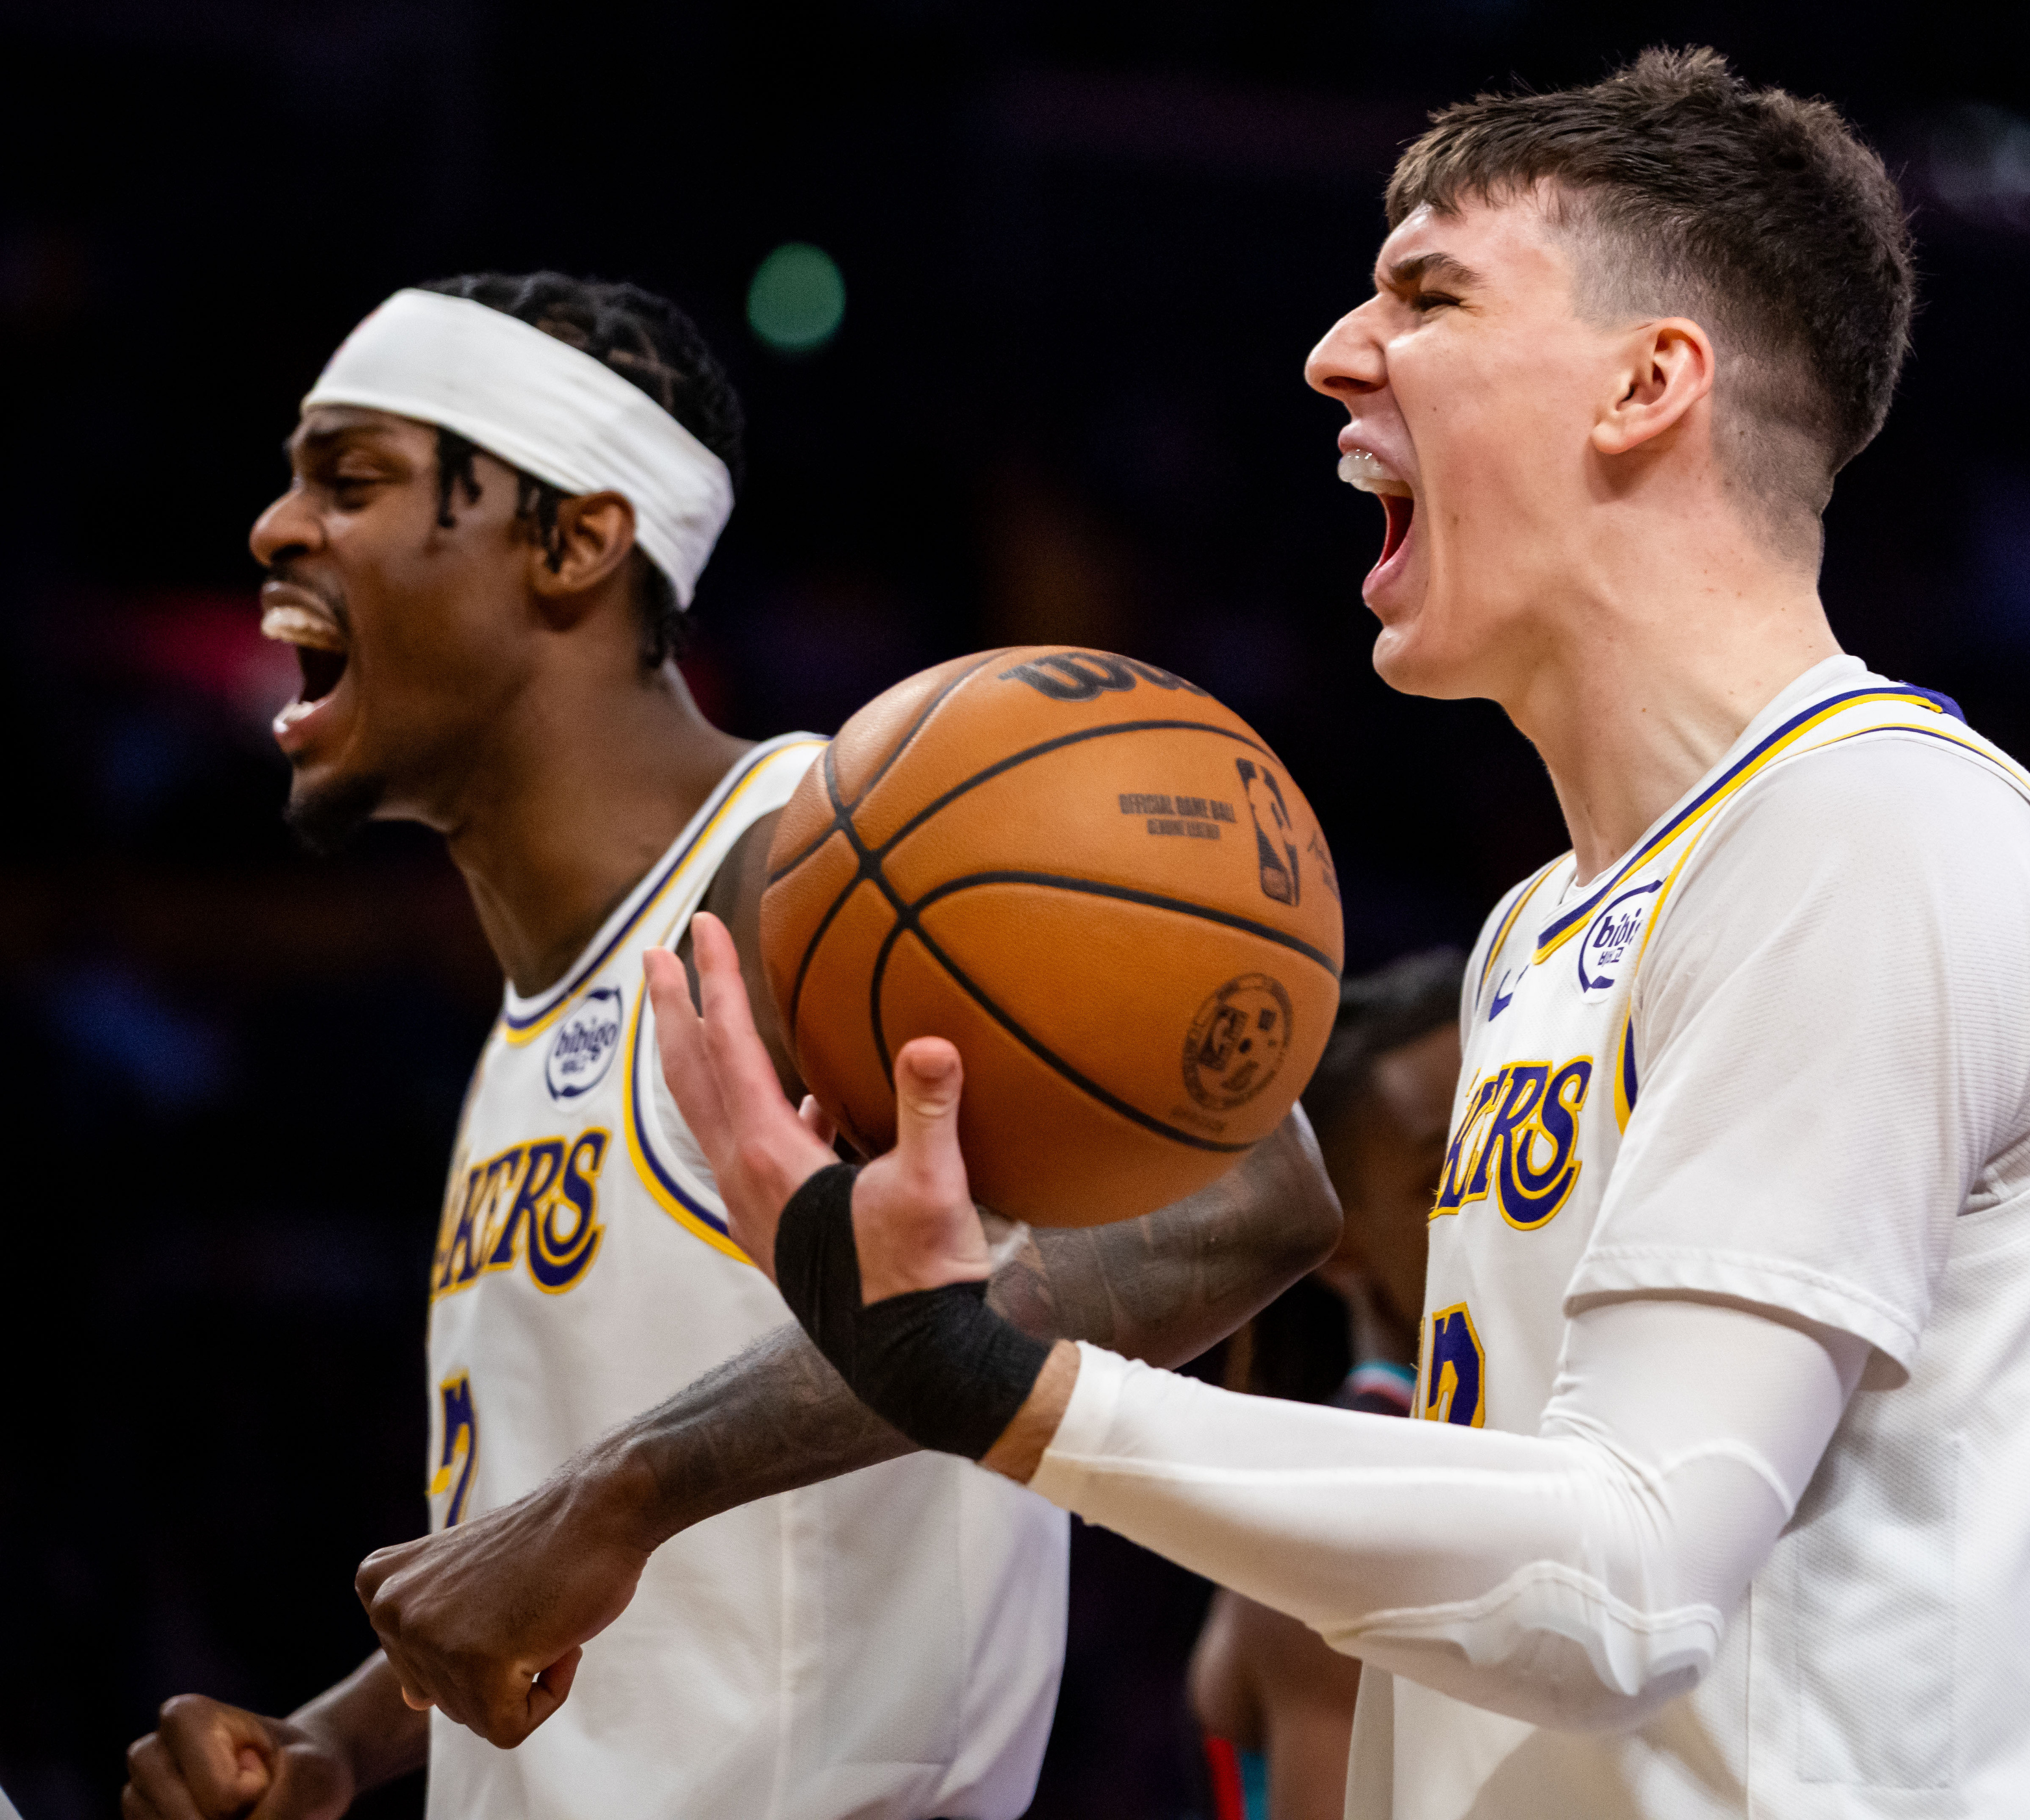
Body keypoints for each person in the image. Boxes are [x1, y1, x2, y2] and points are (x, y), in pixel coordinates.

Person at [658, 45, 2030, 1820]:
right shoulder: (1546, 924)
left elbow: (1626, 1579)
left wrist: (1001, 1379)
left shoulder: (1874, 833)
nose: (1335, 354)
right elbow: (1510, 1619)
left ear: (1647, 383)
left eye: (1429, 294)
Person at [119, 274, 1337, 1820]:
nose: (276, 532)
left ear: (574, 543)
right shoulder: (541, 1001)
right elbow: (583, 1581)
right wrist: (343, 1741)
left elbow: (1246, 1193)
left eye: (349, 481)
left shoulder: (830, 865)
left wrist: (626, 1492)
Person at [1189, 948, 1465, 1820]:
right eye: (1442, 1177)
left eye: (1514, 1150)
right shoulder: (1341, 1521)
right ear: (1337, 1240)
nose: (1499, 1198)